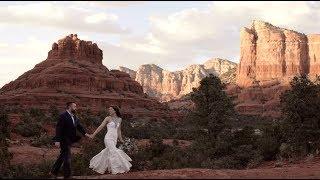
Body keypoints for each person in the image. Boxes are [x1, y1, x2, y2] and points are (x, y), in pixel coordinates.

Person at [87, 105, 132, 174]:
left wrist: (121, 139)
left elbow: (119, 130)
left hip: (114, 139)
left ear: (115, 110)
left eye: (110, 109)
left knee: (109, 152)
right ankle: (116, 170)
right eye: (109, 109)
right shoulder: (108, 118)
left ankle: (106, 168)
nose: (109, 110)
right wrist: (93, 134)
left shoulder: (119, 119)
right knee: (114, 151)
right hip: (108, 138)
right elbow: (101, 126)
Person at [51, 102, 89, 179]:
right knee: (67, 157)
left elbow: (79, 127)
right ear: (69, 107)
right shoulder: (63, 116)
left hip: (70, 140)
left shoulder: (74, 117)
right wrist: (57, 140)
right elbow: (59, 128)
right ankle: (67, 176)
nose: (76, 108)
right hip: (63, 140)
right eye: (74, 106)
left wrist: (86, 134)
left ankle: (54, 171)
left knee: (62, 156)